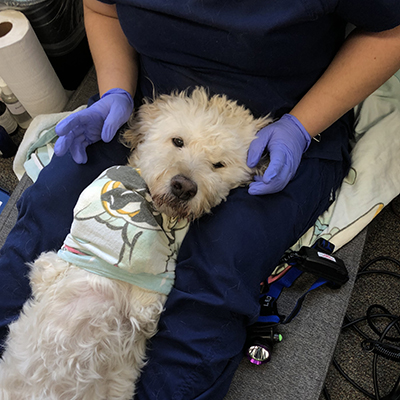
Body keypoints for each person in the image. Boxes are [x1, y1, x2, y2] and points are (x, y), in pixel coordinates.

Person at [1, 1, 400, 398]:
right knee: (47, 215)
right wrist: (116, 91)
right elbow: (102, 9)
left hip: (279, 121)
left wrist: (301, 126)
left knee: (214, 279)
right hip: (157, 104)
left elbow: (390, 30)